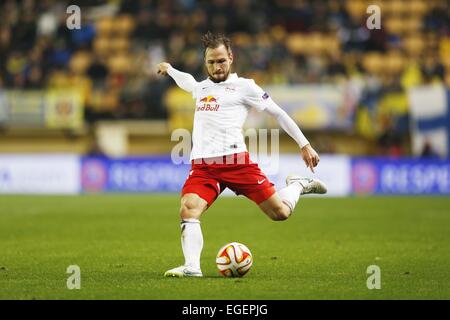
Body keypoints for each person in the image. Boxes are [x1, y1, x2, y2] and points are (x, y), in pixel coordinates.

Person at [156, 32, 327, 277]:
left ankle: (298, 185)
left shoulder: (245, 87)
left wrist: (304, 144)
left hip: (237, 163)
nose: (217, 67)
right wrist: (170, 69)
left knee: (280, 213)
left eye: (221, 61)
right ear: (205, 62)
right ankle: (192, 267)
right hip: (203, 166)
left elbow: (278, 113)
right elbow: (188, 82)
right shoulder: (201, 88)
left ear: (231, 58)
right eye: (212, 62)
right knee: (188, 208)